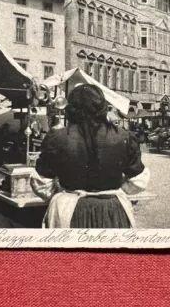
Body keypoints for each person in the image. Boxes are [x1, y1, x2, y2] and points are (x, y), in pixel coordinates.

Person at [31, 84, 150, 228]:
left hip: (68, 211)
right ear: (103, 107)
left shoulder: (57, 137)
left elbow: (41, 182)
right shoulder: (123, 136)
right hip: (112, 211)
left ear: (71, 108)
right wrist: (113, 190)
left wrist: (64, 194)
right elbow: (139, 181)